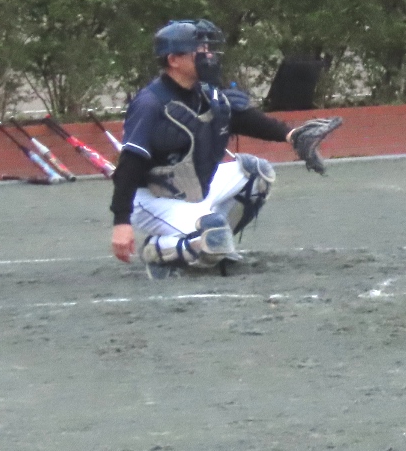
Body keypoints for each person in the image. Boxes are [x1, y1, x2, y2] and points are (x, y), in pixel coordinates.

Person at [108, 20, 342, 276]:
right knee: (212, 234)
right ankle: (159, 250)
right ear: (174, 60)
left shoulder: (204, 92)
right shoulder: (150, 103)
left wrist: (292, 135)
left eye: (208, 48)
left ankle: (214, 243)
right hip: (154, 199)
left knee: (256, 173)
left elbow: (241, 118)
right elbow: (130, 162)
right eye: (199, 50)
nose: (208, 55)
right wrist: (121, 221)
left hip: (195, 187)